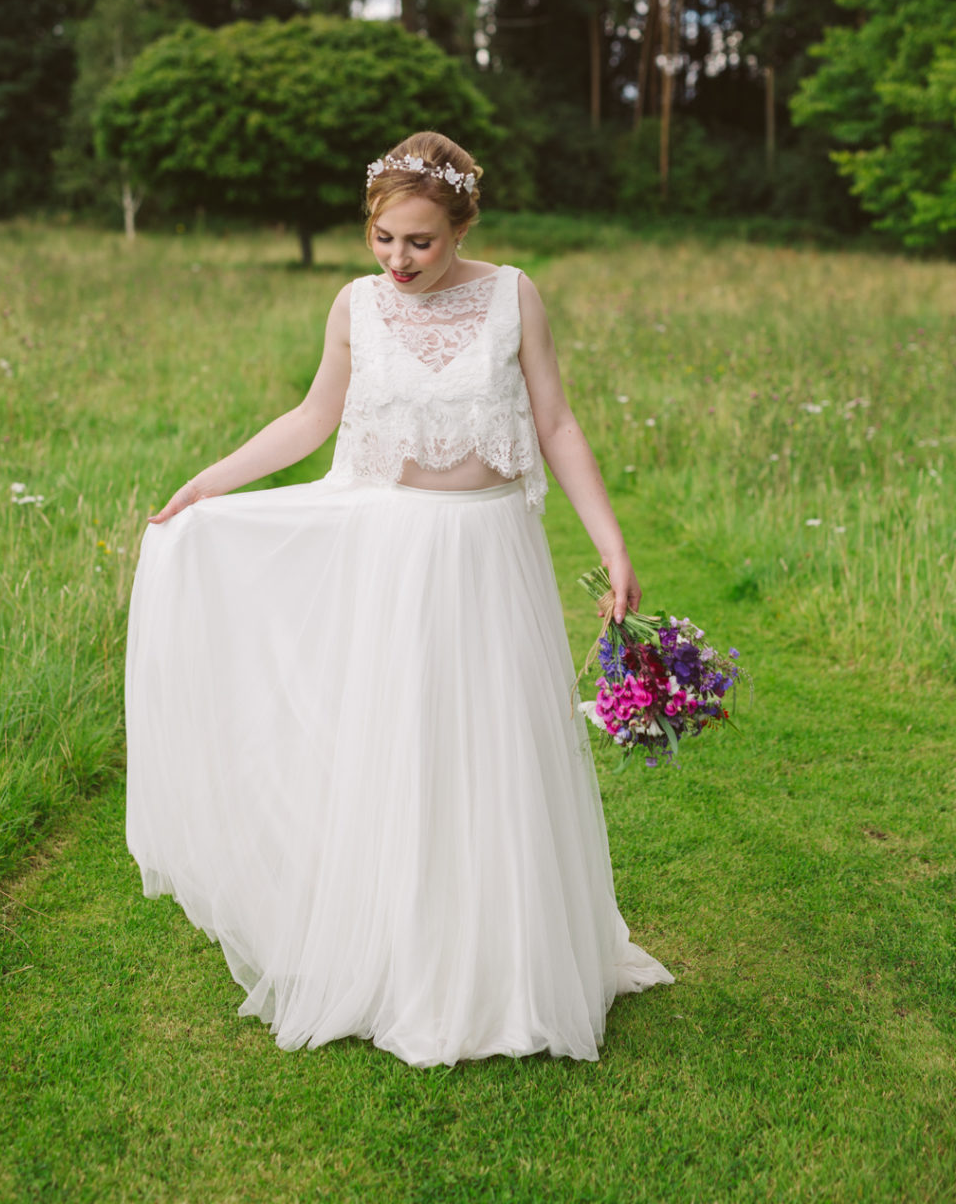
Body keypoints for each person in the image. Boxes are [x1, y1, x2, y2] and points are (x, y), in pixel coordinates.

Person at [125, 130, 673, 1068]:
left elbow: (557, 422)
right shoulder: (355, 306)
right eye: (384, 239)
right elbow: (312, 416)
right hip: (393, 551)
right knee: (401, 745)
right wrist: (207, 486)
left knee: (495, 747)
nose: (399, 261)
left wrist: (612, 543)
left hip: (492, 550)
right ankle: (403, 956)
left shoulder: (513, 296)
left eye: (420, 241)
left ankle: (513, 961)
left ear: (462, 225)